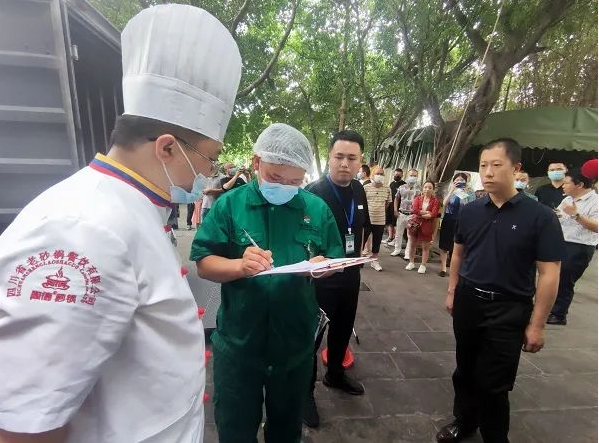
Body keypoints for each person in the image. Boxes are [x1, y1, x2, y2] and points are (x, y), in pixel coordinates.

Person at [0, 5, 241, 443]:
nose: (208, 172)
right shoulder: (82, 230)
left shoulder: (133, 207)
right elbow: (28, 422)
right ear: (167, 148)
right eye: (209, 157)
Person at [190, 123, 344, 443]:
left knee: (286, 429)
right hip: (239, 343)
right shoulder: (230, 205)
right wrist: (239, 265)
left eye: (294, 181)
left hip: (293, 343)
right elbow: (204, 263)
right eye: (276, 177)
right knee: (235, 428)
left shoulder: (316, 209)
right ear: (257, 162)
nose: (285, 186)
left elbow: (333, 258)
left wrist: (322, 268)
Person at [437, 138, 564, 443]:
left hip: (509, 308)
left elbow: (549, 273)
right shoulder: (470, 211)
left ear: (516, 168)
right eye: (483, 166)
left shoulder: (540, 216)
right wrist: (452, 290)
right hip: (469, 301)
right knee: (465, 369)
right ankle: (465, 421)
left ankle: (495, 436)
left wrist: (537, 324)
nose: (488, 172)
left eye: (496, 165)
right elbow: (458, 254)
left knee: (494, 382)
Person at [304, 130, 370, 428]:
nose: (345, 163)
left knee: (343, 329)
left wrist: (361, 254)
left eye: (351, 158)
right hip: (321, 279)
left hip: (350, 275)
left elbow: (361, 226)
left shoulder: (358, 189)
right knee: (311, 338)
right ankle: (305, 392)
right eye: (339, 157)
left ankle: (335, 375)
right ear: (329, 158)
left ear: (360, 161)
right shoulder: (312, 193)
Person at [547, 168, 598, 325]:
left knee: (565, 280)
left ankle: (559, 314)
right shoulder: (567, 200)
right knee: (553, 277)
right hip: (560, 242)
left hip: (579, 246)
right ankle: (549, 308)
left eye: (567, 183)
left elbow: (597, 227)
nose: (563, 186)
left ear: (579, 185)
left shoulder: (595, 201)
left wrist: (576, 215)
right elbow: (561, 217)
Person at [438, 173, 476, 277]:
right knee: (444, 244)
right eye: (457, 180)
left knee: (458, 245)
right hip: (448, 219)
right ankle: (443, 269)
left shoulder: (470, 192)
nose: (459, 182)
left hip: (462, 220)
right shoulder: (450, 189)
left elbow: (470, 207)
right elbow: (444, 203)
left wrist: (463, 194)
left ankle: (454, 269)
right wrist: (452, 190)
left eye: (462, 180)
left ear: (466, 181)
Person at [405, 180, 440, 274]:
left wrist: (424, 214)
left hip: (427, 225)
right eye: (425, 187)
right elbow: (414, 210)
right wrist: (427, 213)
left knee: (425, 246)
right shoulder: (417, 198)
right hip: (415, 224)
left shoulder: (435, 201)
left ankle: (423, 265)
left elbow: (434, 214)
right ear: (422, 188)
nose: (427, 189)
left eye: (430, 188)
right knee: (412, 244)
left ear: (433, 189)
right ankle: (411, 262)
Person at [363, 167, 392, 271]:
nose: (379, 175)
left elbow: (387, 203)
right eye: (377, 173)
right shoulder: (365, 188)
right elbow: (362, 203)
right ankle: (358, 260)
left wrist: (379, 210)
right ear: (372, 175)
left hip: (380, 220)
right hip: (366, 220)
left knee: (377, 241)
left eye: (381, 174)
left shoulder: (387, 189)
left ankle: (374, 260)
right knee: (362, 240)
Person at [391, 168, 421, 259]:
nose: (412, 177)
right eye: (411, 175)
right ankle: (397, 249)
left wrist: (416, 214)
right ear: (407, 176)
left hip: (412, 215)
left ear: (417, 177)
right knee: (398, 233)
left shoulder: (419, 189)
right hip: (401, 213)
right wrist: (395, 210)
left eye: (414, 176)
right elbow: (396, 199)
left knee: (410, 235)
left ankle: (408, 253)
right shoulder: (401, 187)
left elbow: (420, 202)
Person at [384, 168, 405, 245]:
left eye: (399, 175)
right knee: (390, 222)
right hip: (390, 206)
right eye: (396, 174)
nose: (397, 176)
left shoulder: (404, 185)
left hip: (399, 207)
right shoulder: (391, 184)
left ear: (402, 175)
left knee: (396, 224)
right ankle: (390, 237)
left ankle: (396, 240)